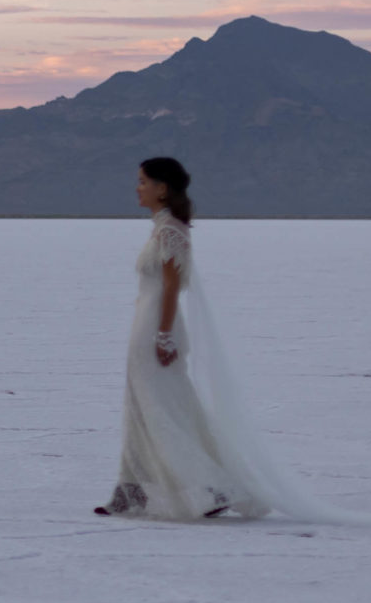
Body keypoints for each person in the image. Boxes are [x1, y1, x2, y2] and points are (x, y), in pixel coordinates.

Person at [96, 156, 267, 520]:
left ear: (162, 188)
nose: (137, 187)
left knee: (163, 411)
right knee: (143, 408)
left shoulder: (171, 230)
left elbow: (172, 288)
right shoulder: (162, 228)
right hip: (148, 323)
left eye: (143, 181)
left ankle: (212, 486)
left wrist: (164, 336)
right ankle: (133, 491)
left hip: (157, 327)